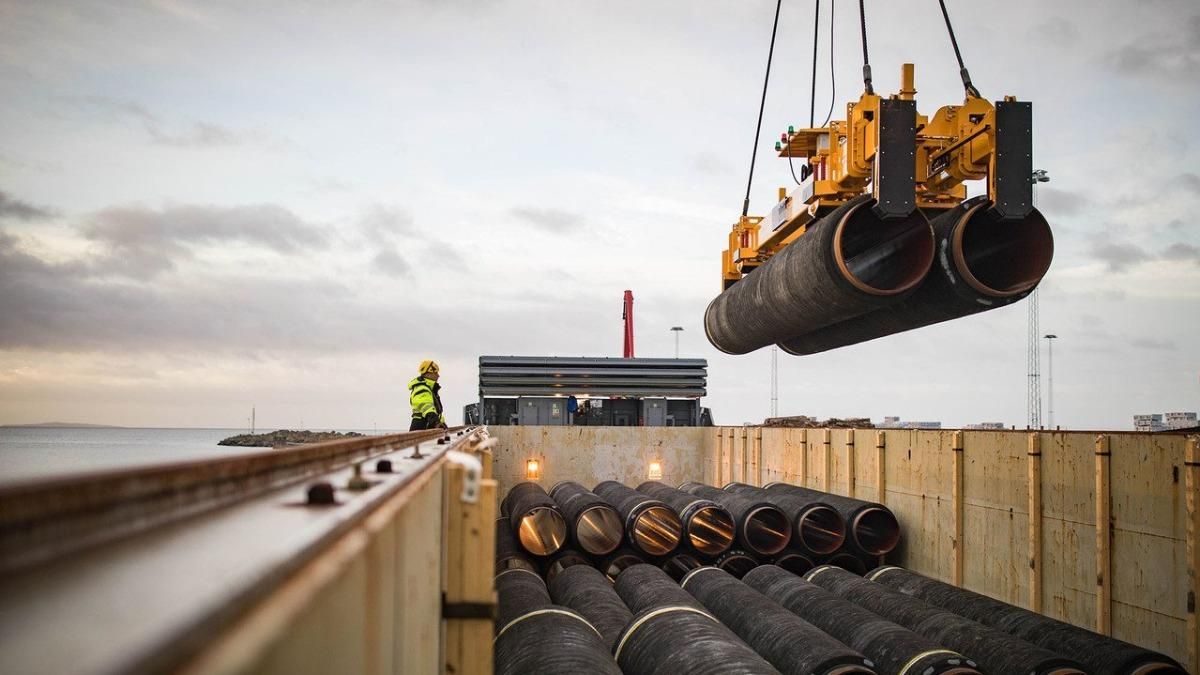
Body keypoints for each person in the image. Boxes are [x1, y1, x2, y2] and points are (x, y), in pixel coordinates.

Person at [409, 360, 447, 430]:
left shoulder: (430, 390)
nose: (438, 376)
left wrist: (442, 423)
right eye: (435, 373)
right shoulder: (421, 388)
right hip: (421, 428)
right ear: (428, 374)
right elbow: (426, 407)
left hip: (427, 427)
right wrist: (436, 422)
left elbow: (436, 412)